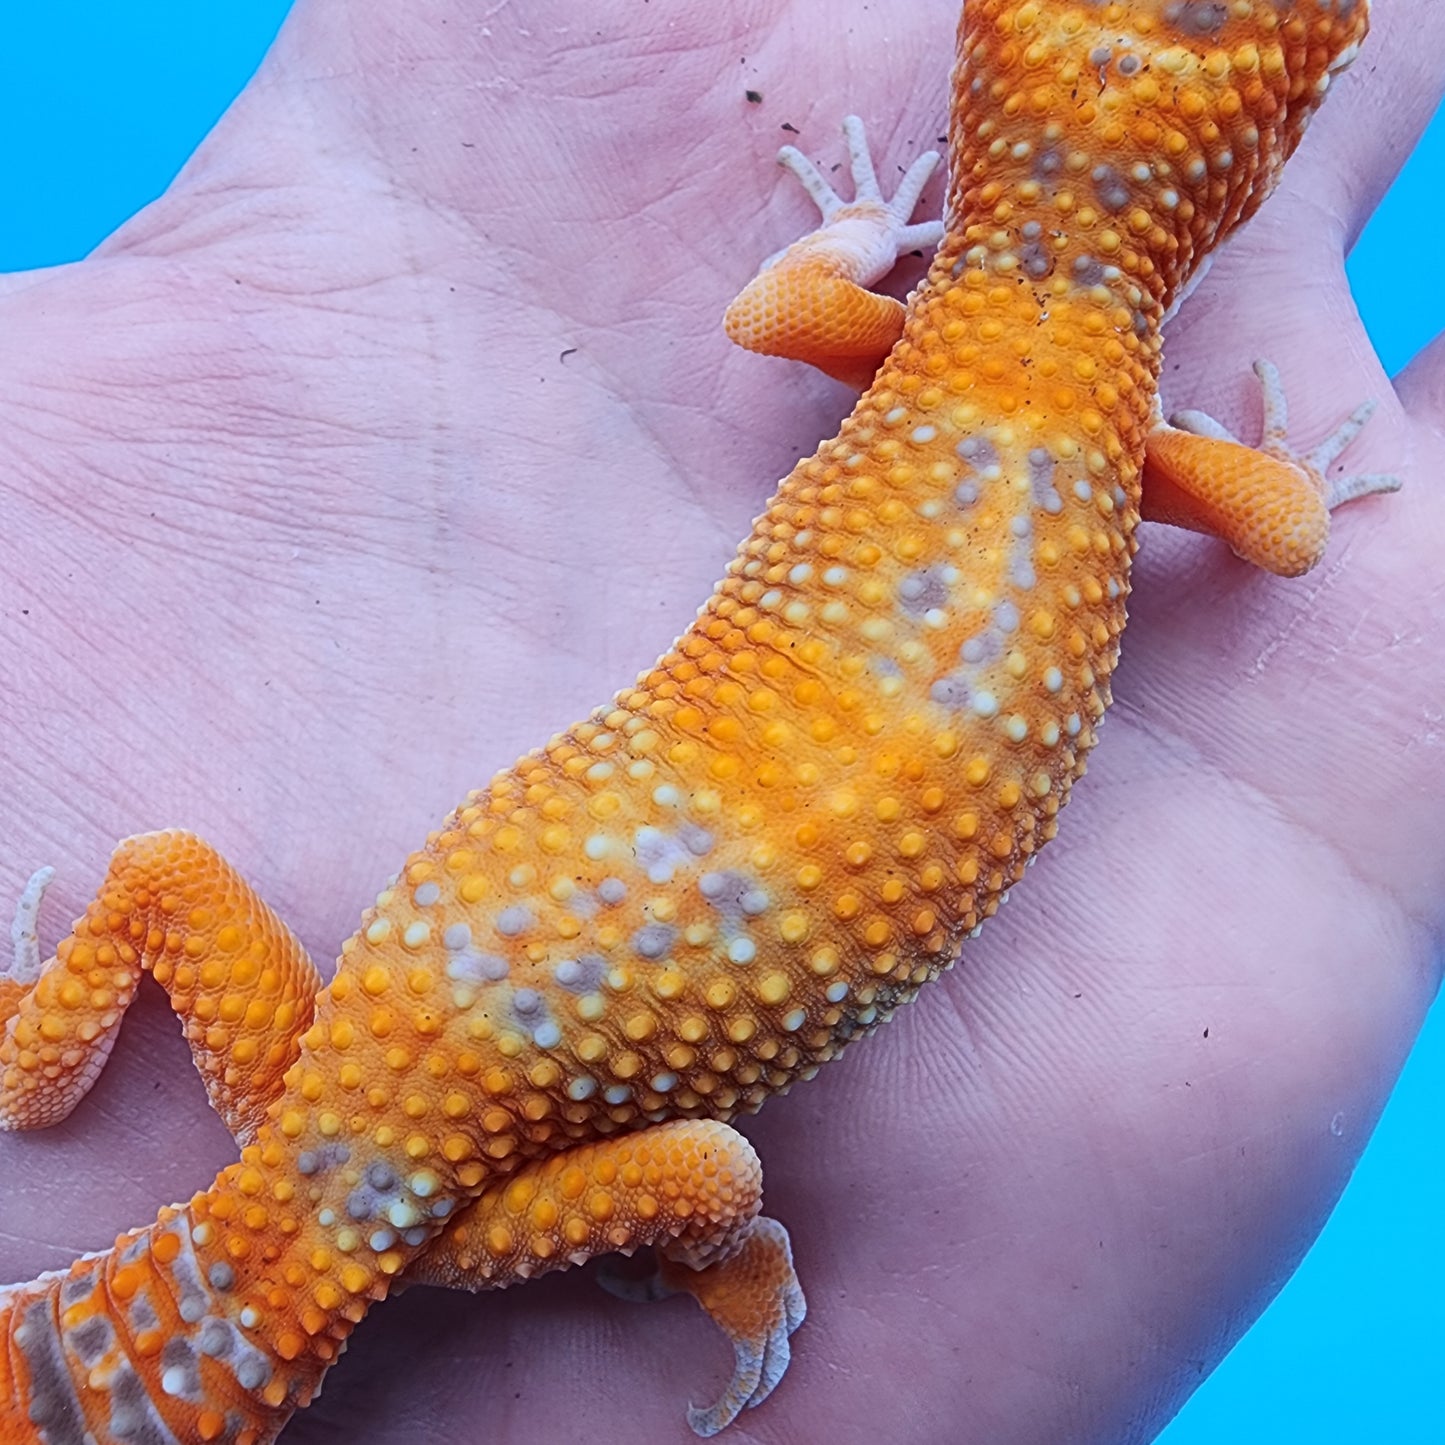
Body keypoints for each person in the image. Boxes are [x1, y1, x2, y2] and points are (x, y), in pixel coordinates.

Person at [1, 2, 1441, 1440]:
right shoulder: (1127, 441)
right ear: (1243, 169)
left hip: (378, 1067)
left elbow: (784, 312)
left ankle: (29, 1064)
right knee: (711, 1188)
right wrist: (719, 1254)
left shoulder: (921, 341)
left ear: (984, 93)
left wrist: (866, 227)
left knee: (169, 883)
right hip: (445, 1152)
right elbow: (1286, 526)